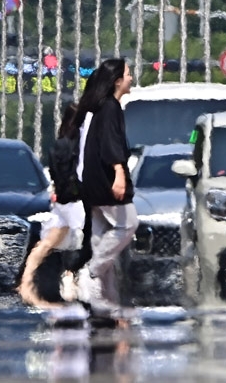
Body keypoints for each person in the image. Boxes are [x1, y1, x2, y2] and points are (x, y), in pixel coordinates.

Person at [74, 58, 137, 315]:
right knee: (128, 224)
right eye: (129, 74)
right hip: (105, 180)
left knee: (101, 238)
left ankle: (104, 298)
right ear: (117, 80)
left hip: (93, 180)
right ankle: (90, 273)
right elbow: (112, 146)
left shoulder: (101, 107)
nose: (132, 78)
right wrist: (119, 174)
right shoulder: (110, 107)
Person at [18, 103, 87, 308]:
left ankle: (27, 282)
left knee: (49, 243)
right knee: (88, 241)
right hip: (77, 201)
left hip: (62, 200)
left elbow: (57, 175)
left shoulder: (58, 145)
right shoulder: (80, 145)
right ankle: (70, 277)